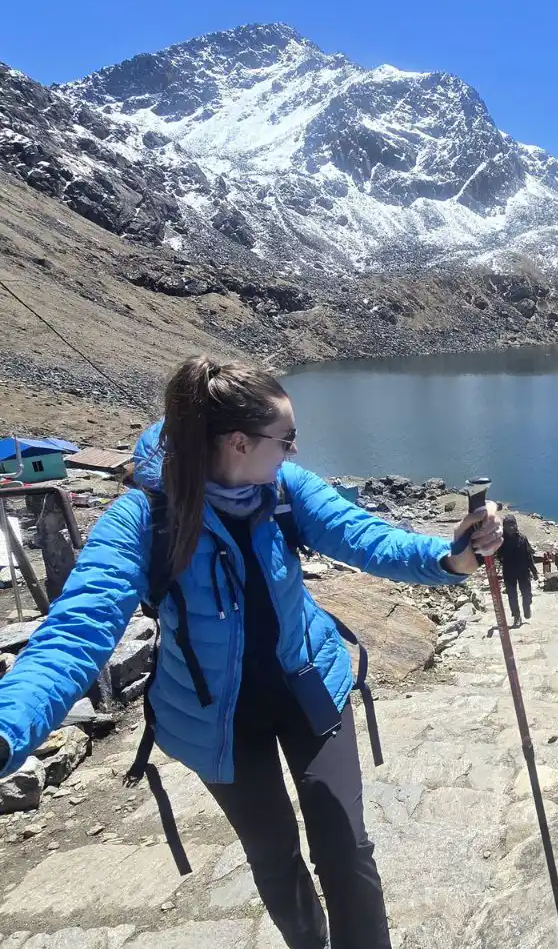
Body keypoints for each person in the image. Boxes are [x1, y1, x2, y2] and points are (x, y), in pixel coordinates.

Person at [0, 357, 501, 949]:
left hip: (310, 688)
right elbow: (74, 634)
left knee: (347, 849)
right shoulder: (142, 519)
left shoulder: (286, 490)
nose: (293, 451)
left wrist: (449, 558)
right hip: (217, 721)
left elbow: (364, 536)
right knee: (274, 857)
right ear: (238, 442)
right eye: (285, 439)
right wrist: (9, 728)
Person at [497, 514, 539, 628]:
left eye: (512, 524)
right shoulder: (500, 541)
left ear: (516, 525)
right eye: (507, 525)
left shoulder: (523, 538)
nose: (510, 527)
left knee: (526, 593)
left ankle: (527, 606)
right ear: (504, 526)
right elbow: (498, 556)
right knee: (512, 595)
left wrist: (534, 571)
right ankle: (516, 616)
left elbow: (529, 556)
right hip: (509, 572)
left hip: (523, 571)